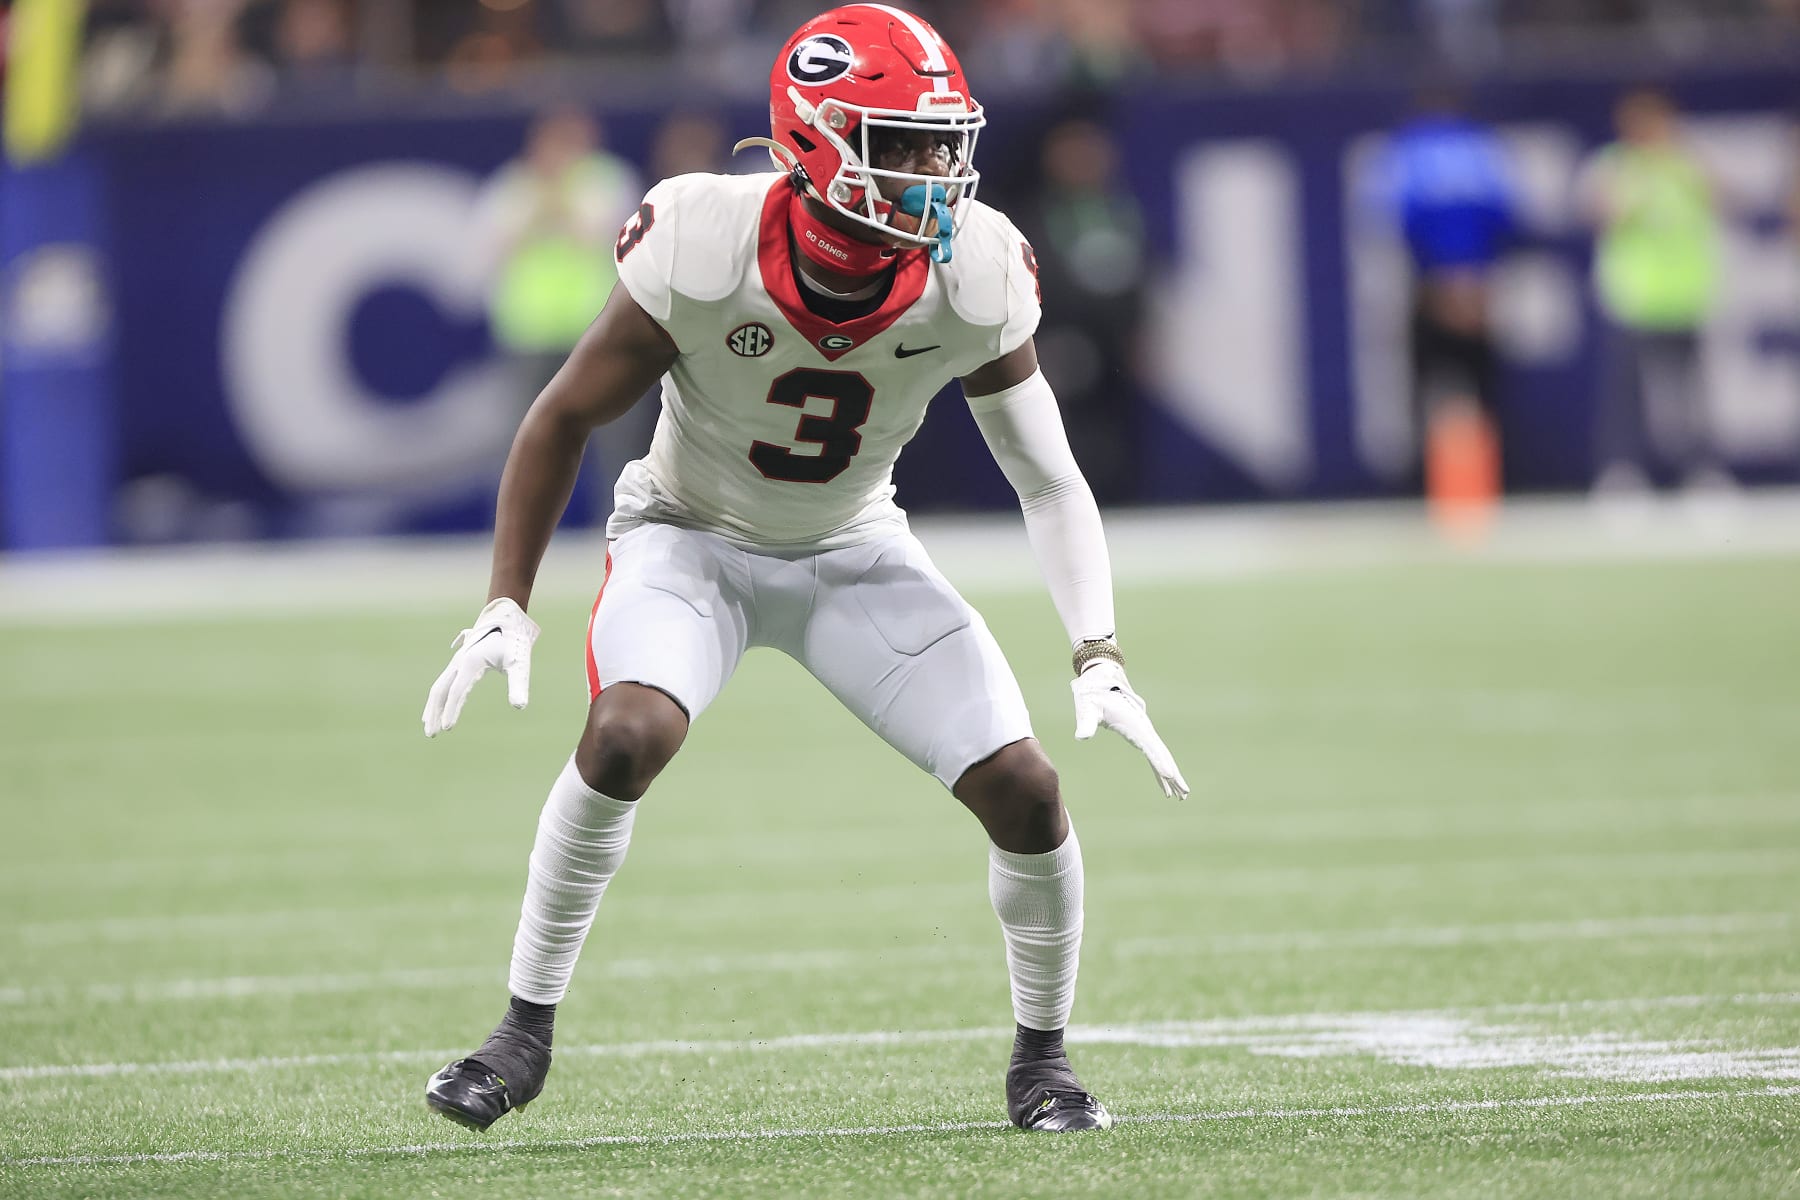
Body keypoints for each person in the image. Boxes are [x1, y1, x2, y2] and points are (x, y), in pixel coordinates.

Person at [419, 4, 1187, 1136]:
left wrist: (1099, 648)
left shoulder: (973, 269)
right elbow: (563, 415)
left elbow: (1051, 478)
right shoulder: (703, 234)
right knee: (626, 732)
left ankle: (1046, 1064)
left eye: (943, 141)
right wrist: (504, 602)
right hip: (690, 536)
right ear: (819, 140)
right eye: (903, 142)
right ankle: (520, 1034)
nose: (937, 170)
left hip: (849, 549)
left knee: (1027, 791)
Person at [470, 107, 645, 516]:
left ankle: (623, 520)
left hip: (598, 327)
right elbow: (490, 249)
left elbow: (606, 234)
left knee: (616, 434)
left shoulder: (607, 179)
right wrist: (542, 211)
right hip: (530, 331)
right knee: (525, 435)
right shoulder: (512, 187)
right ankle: (515, 522)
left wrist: (557, 208)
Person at [1367, 83, 1519, 502]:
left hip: (1428, 288)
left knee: (1423, 387)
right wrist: (1474, 276)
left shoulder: (1406, 151)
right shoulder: (1484, 148)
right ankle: (1493, 483)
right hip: (1478, 288)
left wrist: (1437, 278)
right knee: (1483, 388)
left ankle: (1422, 485)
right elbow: (1508, 215)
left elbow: (1390, 218)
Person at [1579, 88, 1726, 494]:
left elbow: (1722, 200)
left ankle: (1701, 472)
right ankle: (1622, 473)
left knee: (1690, 394)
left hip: (1683, 296)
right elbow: (1598, 214)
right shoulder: (1615, 165)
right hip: (1634, 298)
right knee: (1626, 396)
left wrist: (1687, 168)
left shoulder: (1685, 163)